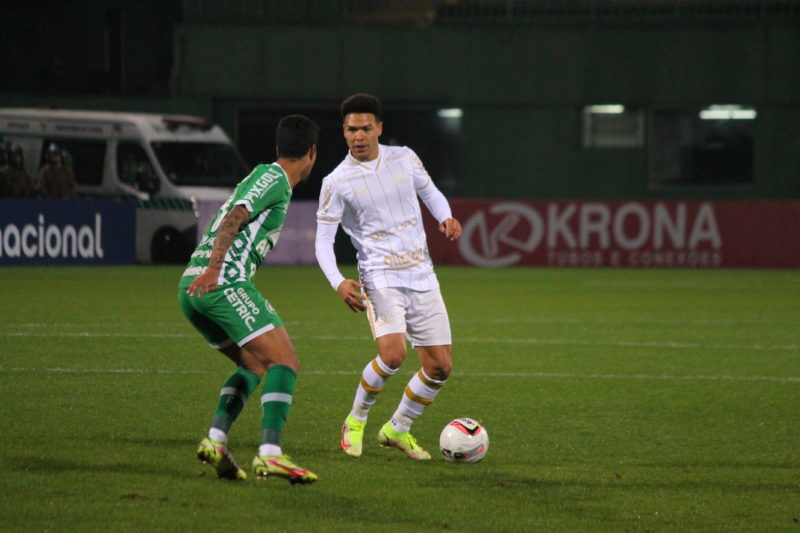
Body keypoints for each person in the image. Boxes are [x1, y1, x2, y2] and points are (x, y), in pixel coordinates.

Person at [314, 93, 462, 460]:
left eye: (365, 128)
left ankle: (398, 427)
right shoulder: (336, 182)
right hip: (379, 275)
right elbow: (322, 241)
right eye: (351, 130)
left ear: (379, 128)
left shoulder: (405, 158)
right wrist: (338, 281)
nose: (358, 136)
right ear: (343, 131)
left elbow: (431, 193)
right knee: (393, 355)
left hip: (422, 272)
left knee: (440, 366)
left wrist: (446, 215)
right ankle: (356, 419)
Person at [179, 115, 320, 484]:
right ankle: (271, 454)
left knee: (255, 366)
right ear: (312, 153)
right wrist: (215, 268)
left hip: (192, 290)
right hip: (220, 281)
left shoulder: (267, 177)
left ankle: (215, 441)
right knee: (284, 361)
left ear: (278, 147)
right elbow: (237, 215)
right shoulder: (273, 178)